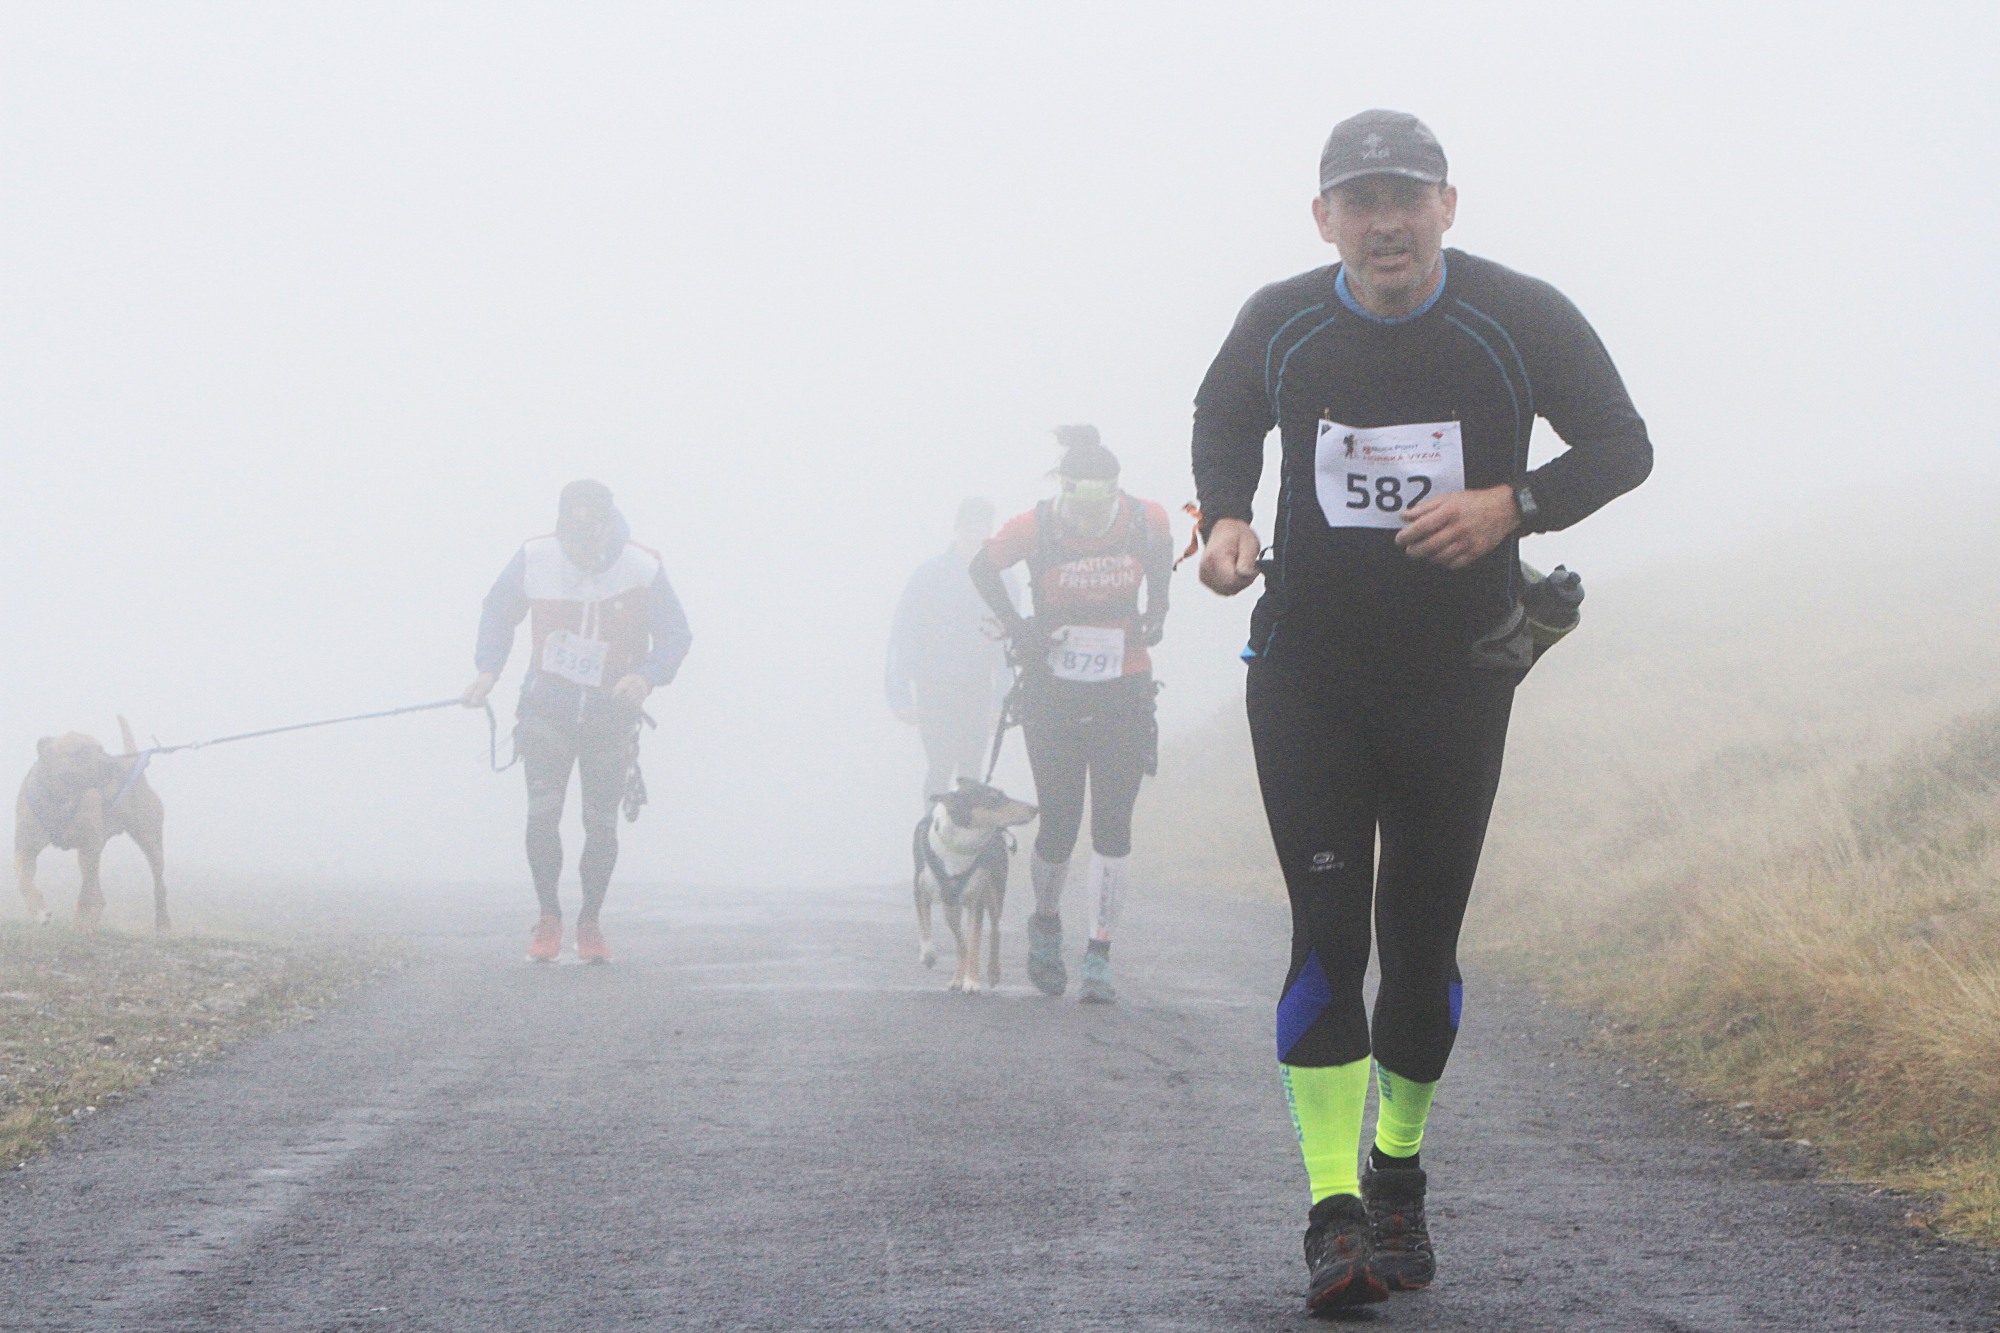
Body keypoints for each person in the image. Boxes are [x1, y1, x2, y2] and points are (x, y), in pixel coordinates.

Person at [1191, 110, 1651, 1311]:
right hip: (1307, 674)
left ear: (1447, 204)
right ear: (1322, 218)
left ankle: (1396, 1178)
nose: (1384, 221)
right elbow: (1221, 418)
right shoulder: (1280, 319)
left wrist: (1514, 504)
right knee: (1328, 936)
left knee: (1421, 946)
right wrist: (1225, 516)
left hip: (1456, 677)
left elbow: (1621, 444)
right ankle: (1331, 1216)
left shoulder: (1516, 314)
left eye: (1406, 196)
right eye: (1359, 200)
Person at [969, 426, 1174, 1004]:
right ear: (1063, 496)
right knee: (1059, 818)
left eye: (1098, 512)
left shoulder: (1145, 519)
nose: (1086, 525)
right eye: (1076, 514)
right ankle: (1046, 923)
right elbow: (983, 568)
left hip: (1124, 685)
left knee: (1114, 823)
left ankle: (1099, 953)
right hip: (1053, 689)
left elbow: (1161, 561)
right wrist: (1019, 626)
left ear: (1115, 497)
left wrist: (1157, 609)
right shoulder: (1033, 524)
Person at [463, 480, 692, 965]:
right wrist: (487, 671)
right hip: (548, 708)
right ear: (561, 529)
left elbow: (676, 633)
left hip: (611, 715)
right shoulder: (535, 557)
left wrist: (647, 677)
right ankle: (549, 918)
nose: (582, 549)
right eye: (573, 538)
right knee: (543, 813)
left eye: (591, 538)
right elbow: (498, 610)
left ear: (609, 526)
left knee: (600, 823)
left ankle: (590, 922)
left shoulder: (642, 565)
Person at [885, 497, 1015, 801]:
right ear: (957, 529)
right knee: (940, 767)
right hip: (934, 689)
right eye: (968, 528)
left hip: (979, 689)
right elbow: (904, 634)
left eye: (982, 530)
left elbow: (1008, 644)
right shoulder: (928, 576)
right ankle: (932, 839)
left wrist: (1002, 697)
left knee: (971, 772)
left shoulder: (1004, 579)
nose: (974, 536)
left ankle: (967, 844)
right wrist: (899, 694)